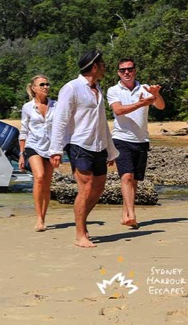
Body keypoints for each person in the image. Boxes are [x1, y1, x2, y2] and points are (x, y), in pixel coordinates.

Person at [49, 50, 119, 248]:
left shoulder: (98, 89)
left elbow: (102, 122)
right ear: (94, 66)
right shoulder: (71, 88)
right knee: (86, 187)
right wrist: (56, 150)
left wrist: (111, 150)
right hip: (78, 143)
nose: (105, 67)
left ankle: (82, 223)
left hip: (98, 144)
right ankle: (80, 234)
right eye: (103, 64)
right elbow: (60, 120)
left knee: (98, 188)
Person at [107, 57, 165, 228]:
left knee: (135, 181)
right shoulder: (113, 90)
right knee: (126, 176)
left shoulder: (145, 88)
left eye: (130, 69)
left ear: (135, 70)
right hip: (121, 138)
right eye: (123, 70)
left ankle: (125, 215)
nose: (127, 72)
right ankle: (132, 214)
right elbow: (118, 110)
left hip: (141, 139)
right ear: (118, 72)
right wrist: (141, 103)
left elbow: (161, 106)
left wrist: (155, 94)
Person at [19, 75, 56, 232]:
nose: (46, 87)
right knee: (39, 177)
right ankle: (38, 218)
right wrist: (22, 154)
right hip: (33, 146)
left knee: (46, 185)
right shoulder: (27, 107)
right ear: (34, 88)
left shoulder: (56, 105)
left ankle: (43, 216)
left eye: (47, 84)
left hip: (51, 148)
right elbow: (24, 131)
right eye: (42, 84)